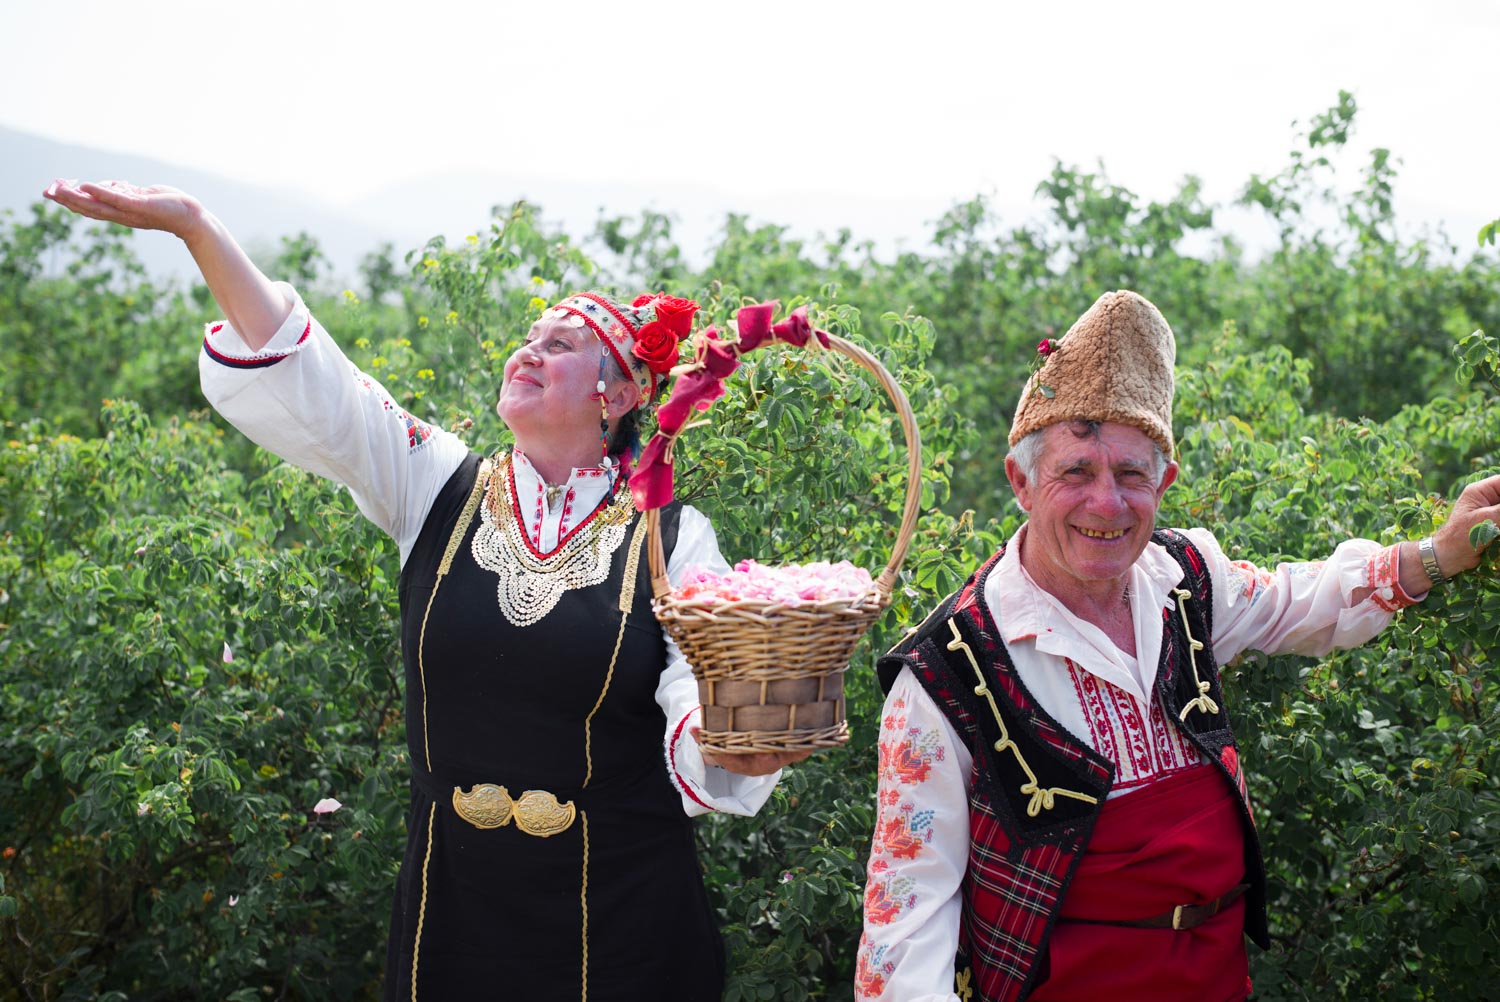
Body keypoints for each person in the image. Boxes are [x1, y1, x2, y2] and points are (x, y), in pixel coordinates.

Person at [43, 179, 812, 1001]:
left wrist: (739, 744)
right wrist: (199, 230)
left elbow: (700, 694)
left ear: (619, 395)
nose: (529, 351)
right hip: (456, 912)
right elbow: (322, 385)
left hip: (622, 923)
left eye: (560, 344)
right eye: (529, 336)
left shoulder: (673, 536)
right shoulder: (436, 483)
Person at [853, 290, 1500, 1002]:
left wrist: (1437, 555)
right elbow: (904, 927)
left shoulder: (1185, 578)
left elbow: (1301, 600)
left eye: (1132, 475)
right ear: (1021, 481)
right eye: (1076, 472)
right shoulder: (946, 672)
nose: (1108, 503)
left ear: (1164, 481)